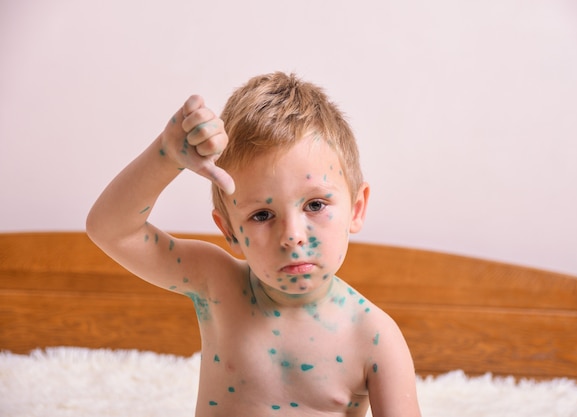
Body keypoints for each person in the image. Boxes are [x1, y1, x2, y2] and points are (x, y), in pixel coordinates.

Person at [86, 72, 421, 417]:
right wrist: (165, 156)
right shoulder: (218, 285)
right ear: (230, 230)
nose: (292, 235)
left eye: (315, 205)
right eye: (262, 215)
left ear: (357, 209)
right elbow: (111, 230)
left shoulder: (374, 338)